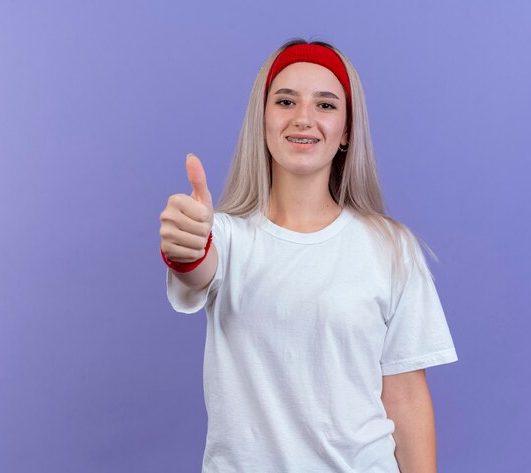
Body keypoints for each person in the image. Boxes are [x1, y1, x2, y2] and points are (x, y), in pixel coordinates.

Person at [159, 39, 458, 473]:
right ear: (261, 120)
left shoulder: (392, 248)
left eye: (326, 105)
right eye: (285, 101)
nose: (304, 118)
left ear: (347, 131)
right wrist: (186, 246)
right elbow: (197, 270)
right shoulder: (224, 236)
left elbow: (406, 398)